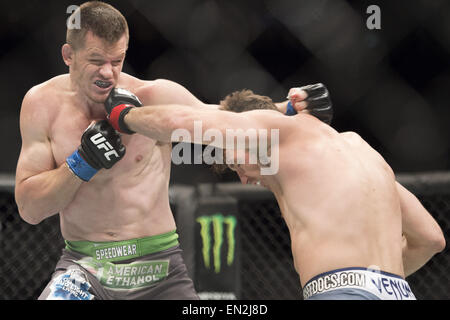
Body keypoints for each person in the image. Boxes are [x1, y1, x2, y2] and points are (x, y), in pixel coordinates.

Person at [14, 1, 325, 300]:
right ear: (69, 55)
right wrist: (81, 163)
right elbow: (30, 209)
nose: (108, 73)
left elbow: (223, 120)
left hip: (158, 272)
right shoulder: (42, 105)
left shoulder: (154, 96)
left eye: (117, 60)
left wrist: (287, 109)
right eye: (96, 61)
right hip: (85, 269)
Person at [104, 88, 446, 300]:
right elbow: (431, 238)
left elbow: (183, 120)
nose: (242, 177)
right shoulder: (363, 151)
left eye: (234, 161)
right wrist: (372, 281)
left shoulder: (271, 130)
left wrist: (124, 116)